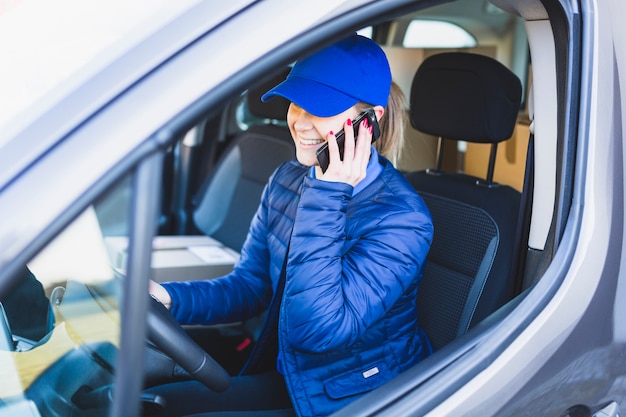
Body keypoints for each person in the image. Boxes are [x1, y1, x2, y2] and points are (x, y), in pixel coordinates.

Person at [148, 34, 434, 417]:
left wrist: (329, 192)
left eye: (322, 107)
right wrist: (169, 298)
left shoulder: (403, 220)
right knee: (148, 405)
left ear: (369, 121)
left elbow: (317, 331)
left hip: (353, 398)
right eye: (296, 102)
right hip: (292, 377)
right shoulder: (288, 179)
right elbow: (250, 286)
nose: (299, 121)